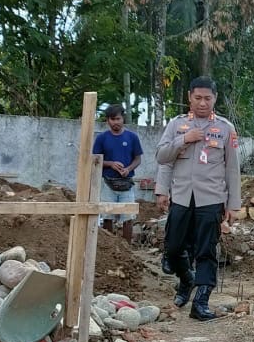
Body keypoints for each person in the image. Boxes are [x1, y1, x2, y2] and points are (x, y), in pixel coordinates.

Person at [155, 76, 241, 321]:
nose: (203, 103)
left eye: (208, 98)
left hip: (211, 199)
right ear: (189, 98)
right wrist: (184, 139)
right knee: (173, 248)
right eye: (198, 98)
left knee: (206, 251)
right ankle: (186, 280)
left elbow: (232, 169)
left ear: (215, 99)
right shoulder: (176, 125)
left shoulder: (226, 129)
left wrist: (234, 204)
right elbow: (162, 158)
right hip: (181, 196)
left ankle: (201, 302)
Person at [93, 104, 143, 241]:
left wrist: (128, 169)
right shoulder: (101, 138)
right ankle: (109, 246)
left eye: (118, 119)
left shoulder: (132, 137)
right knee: (107, 216)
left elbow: (138, 159)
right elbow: (95, 160)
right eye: (112, 119)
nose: (116, 122)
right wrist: (111, 164)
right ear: (107, 121)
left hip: (126, 184)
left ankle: (127, 248)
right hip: (108, 183)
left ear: (123, 119)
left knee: (128, 217)